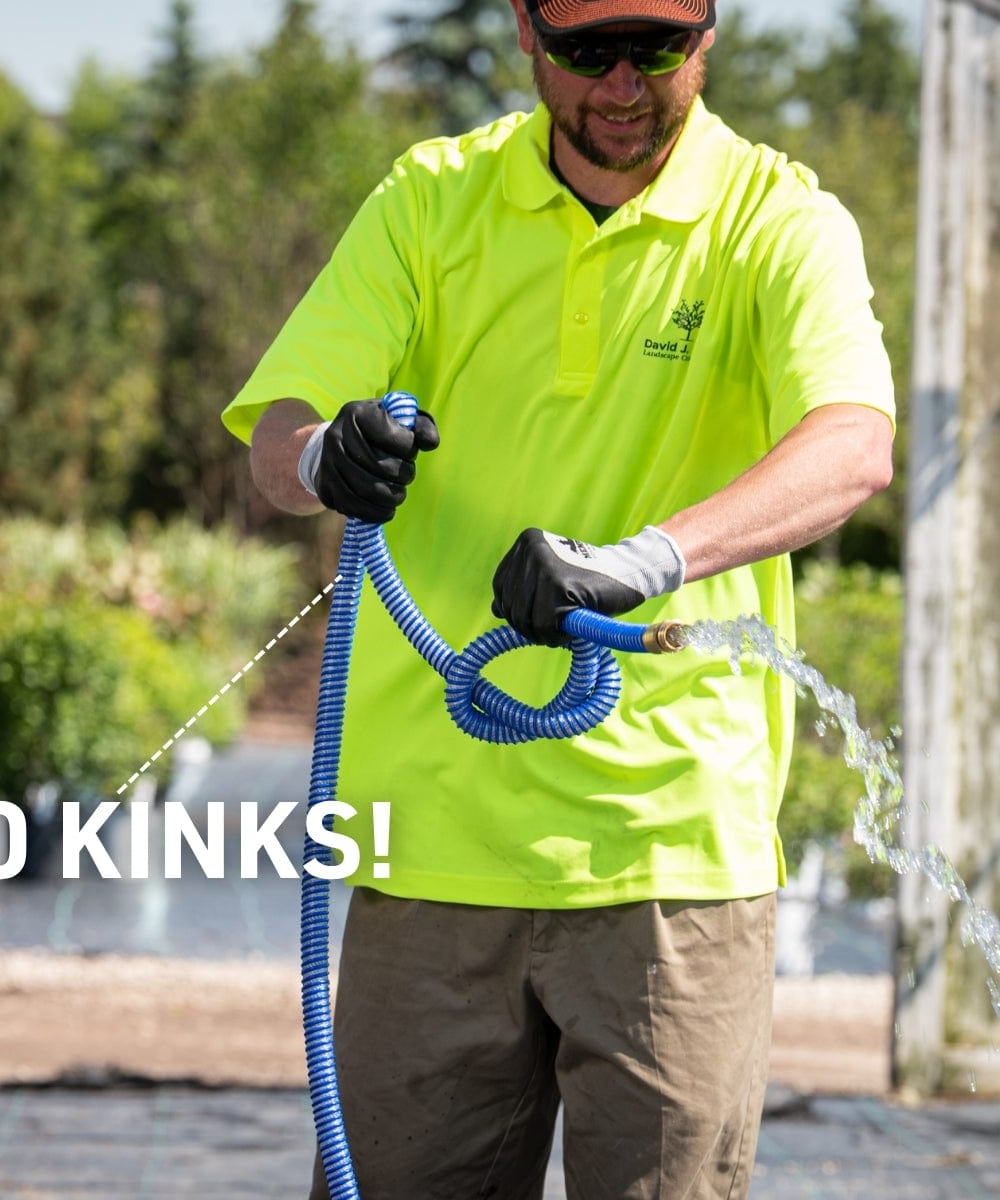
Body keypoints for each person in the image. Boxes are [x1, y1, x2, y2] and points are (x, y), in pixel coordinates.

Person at [223, 0, 895, 1196]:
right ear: (529, 37)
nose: (624, 85)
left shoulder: (777, 219)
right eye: (588, 52)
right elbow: (278, 442)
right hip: (430, 850)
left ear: (709, 34)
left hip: (670, 860)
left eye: (659, 48)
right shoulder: (432, 201)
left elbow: (850, 445)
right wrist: (330, 452)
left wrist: (646, 558)